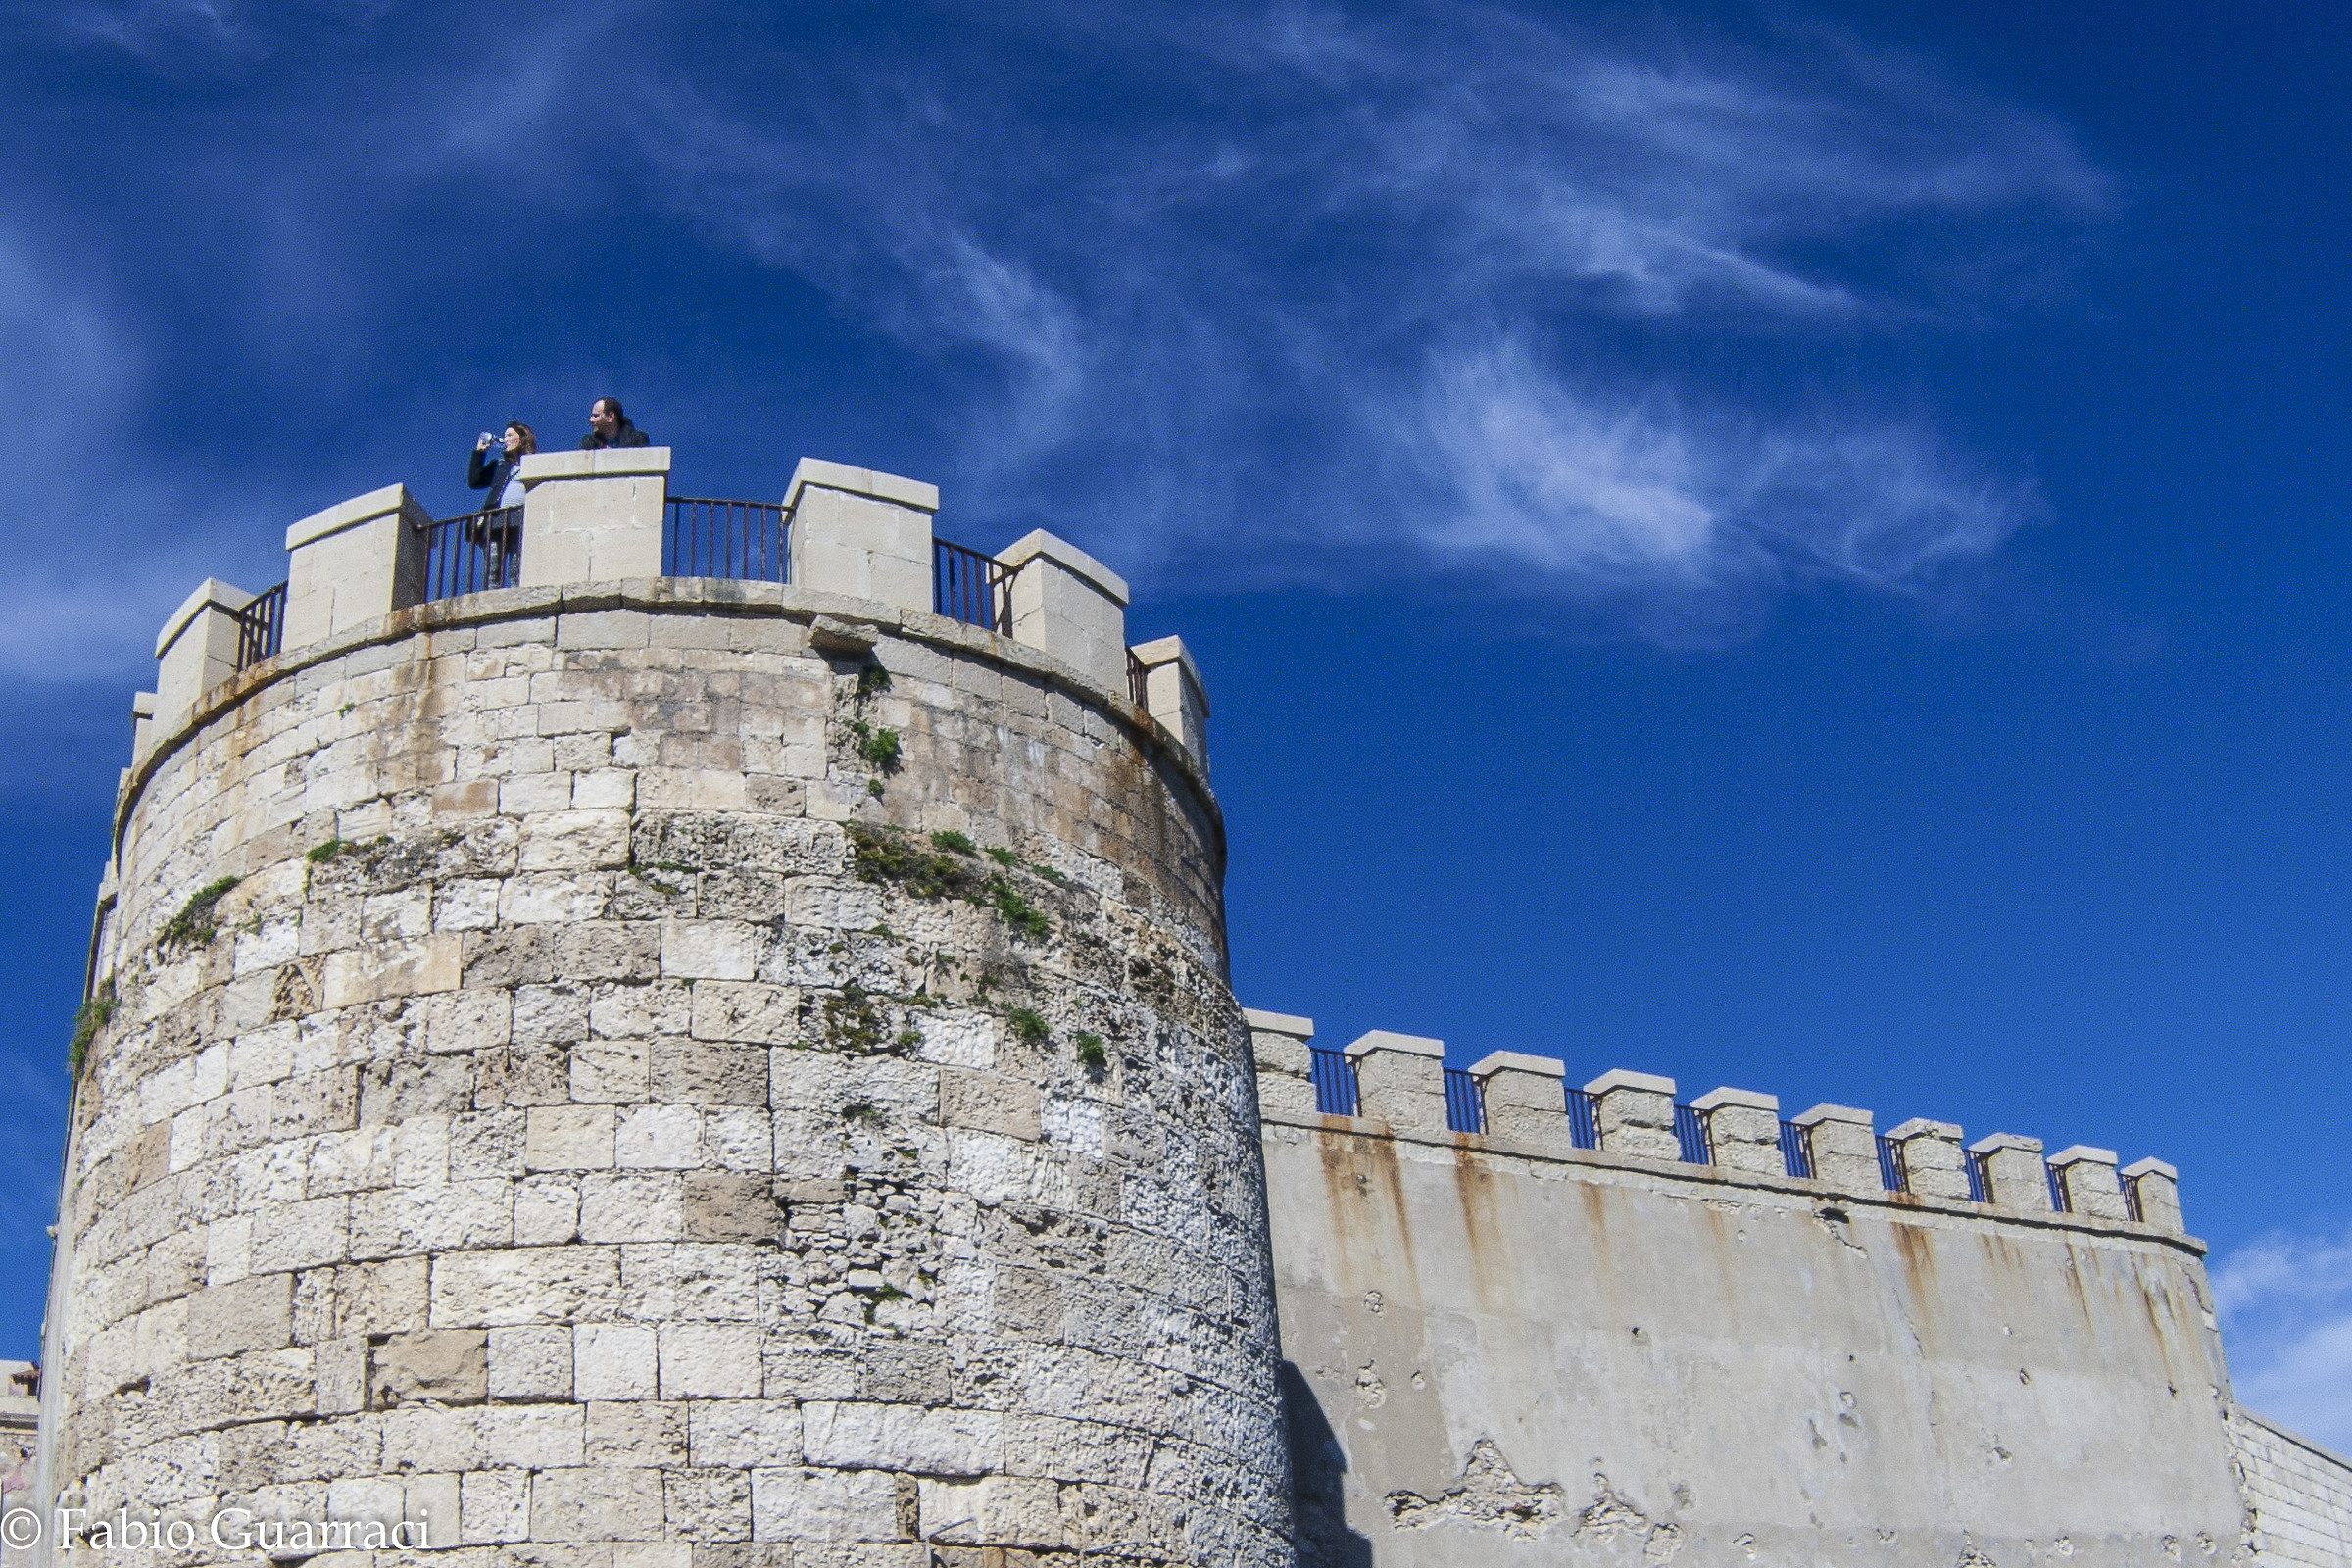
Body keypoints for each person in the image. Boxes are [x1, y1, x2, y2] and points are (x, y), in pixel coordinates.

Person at [464, 421, 535, 583]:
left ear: (522, 438)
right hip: (496, 520)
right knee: (493, 570)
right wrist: (479, 453)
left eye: (510, 435)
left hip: (521, 519)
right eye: (505, 436)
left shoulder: (534, 462)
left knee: (516, 571)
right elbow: (474, 480)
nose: (505, 439)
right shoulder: (500, 465)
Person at [580, 396, 651, 449]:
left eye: (596, 416)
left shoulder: (638, 440)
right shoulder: (589, 444)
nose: (591, 420)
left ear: (610, 417)